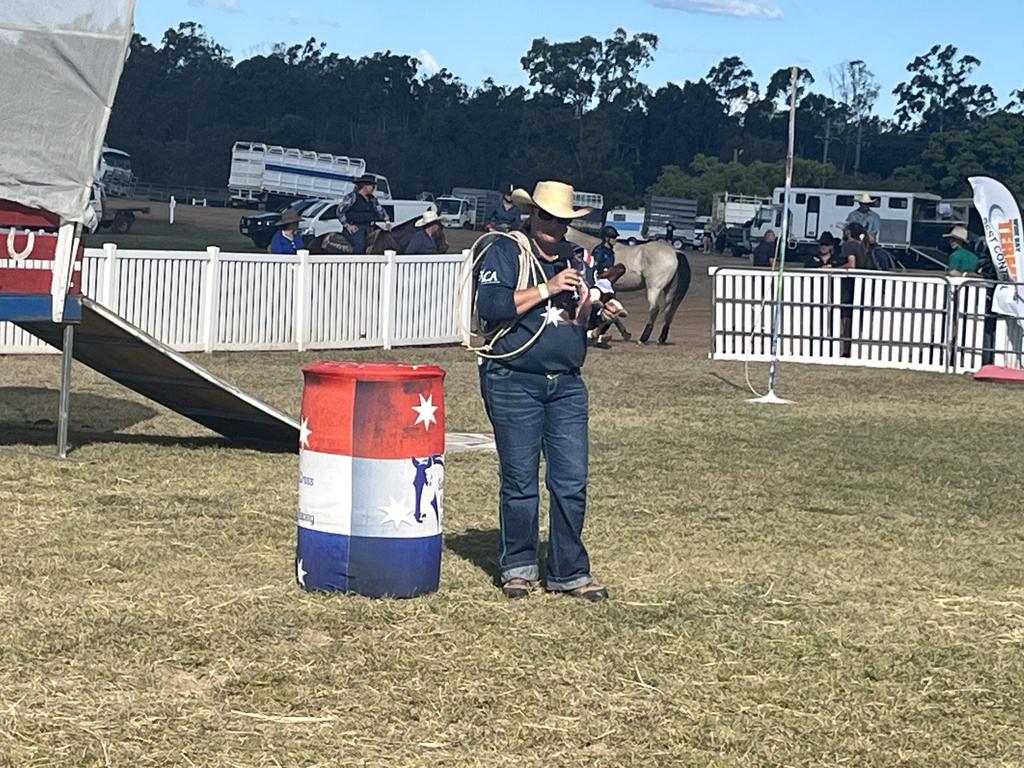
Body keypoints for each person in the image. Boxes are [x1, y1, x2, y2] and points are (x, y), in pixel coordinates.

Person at [476, 180, 621, 602]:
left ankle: (569, 571)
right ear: (531, 215)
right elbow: (492, 307)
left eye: (562, 221)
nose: (553, 227)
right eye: (546, 217)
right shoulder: (505, 250)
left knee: (571, 480)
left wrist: (596, 310)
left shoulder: (578, 259)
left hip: (567, 383)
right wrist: (549, 287)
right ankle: (518, 566)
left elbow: (580, 322)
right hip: (514, 378)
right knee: (520, 479)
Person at [589, 225, 631, 341]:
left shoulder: (610, 252)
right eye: (613, 237)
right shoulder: (599, 250)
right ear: (606, 238)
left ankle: (605, 330)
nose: (616, 240)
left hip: (607, 284)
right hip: (598, 282)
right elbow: (594, 268)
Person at [338, 173, 390, 254]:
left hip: (369, 226)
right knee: (360, 244)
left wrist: (387, 221)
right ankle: (356, 262)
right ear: (364, 186)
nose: (373, 188)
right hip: (355, 227)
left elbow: (380, 210)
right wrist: (347, 225)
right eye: (372, 186)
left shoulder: (372, 199)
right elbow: (340, 210)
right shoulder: (352, 197)